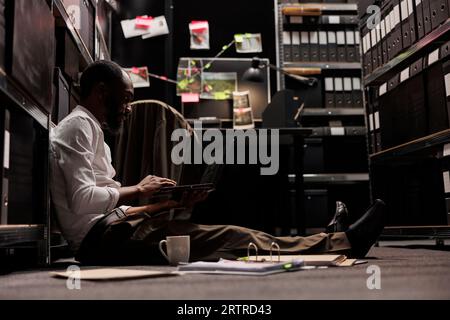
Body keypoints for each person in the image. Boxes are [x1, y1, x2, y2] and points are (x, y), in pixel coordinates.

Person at [50, 60, 386, 265]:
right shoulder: (80, 126)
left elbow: (105, 212)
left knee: (226, 234)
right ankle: (342, 243)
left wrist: (164, 203)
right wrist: (140, 189)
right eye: (124, 100)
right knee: (228, 238)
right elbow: (83, 201)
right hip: (103, 243)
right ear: (100, 92)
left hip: (113, 232)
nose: (127, 108)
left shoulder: (87, 126)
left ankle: (329, 242)